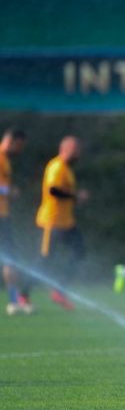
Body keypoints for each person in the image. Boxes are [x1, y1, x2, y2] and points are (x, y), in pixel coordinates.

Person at [35, 136, 89, 310]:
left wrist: (75, 198)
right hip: (52, 221)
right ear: (64, 149)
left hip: (66, 222)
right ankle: (22, 295)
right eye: (75, 150)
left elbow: (64, 192)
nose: (78, 154)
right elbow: (53, 190)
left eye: (78, 150)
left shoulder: (67, 169)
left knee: (79, 251)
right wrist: (75, 196)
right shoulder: (57, 166)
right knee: (44, 261)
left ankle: (59, 289)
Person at [0, 128, 27, 315]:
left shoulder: (5, 161)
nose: (20, 150)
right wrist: (10, 191)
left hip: (3, 215)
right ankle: (14, 301)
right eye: (19, 146)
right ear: (11, 141)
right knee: (11, 258)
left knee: (11, 259)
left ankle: (14, 300)